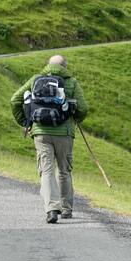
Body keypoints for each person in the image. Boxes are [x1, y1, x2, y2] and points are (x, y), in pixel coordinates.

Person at [11, 55, 89, 224]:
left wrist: (25, 122)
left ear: (47, 65)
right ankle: (66, 209)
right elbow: (83, 108)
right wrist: (75, 119)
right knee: (64, 171)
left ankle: (51, 209)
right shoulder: (71, 83)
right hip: (64, 133)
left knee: (46, 171)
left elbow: (14, 100)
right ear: (65, 67)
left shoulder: (36, 79)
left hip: (41, 133)